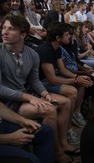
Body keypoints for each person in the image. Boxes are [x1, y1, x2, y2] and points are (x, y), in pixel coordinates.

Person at [0, 15, 76, 163]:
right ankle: (56, 152)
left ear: (23, 34)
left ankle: (62, 143)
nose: (4, 32)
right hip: (6, 102)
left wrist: (45, 93)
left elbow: (34, 80)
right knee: (49, 110)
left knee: (62, 102)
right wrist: (29, 97)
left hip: (23, 96)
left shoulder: (32, 54)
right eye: (3, 28)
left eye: (11, 29)